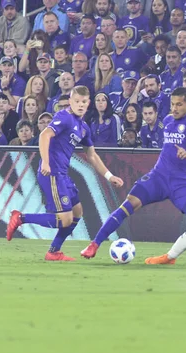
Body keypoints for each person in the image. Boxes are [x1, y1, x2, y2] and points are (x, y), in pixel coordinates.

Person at [80, 87, 186, 270]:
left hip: (182, 181)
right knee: (128, 204)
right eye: (172, 104)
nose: (175, 108)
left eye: (179, 105)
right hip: (158, 177)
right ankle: (94, 245)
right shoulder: (168, 120)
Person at [7, 86, 124, 261]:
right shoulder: (64, 117)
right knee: (65, 220)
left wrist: (109, 176)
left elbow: (91, 155)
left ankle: (53, 251)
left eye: (84, 102)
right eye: (77, 101)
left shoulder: (83, 127)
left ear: (88, 103)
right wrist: (45, 161)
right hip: (52, 173)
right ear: (70, 101)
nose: (80, 105)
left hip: (63, 174)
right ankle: (21, 218)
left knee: (77, 212)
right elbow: (45, 135)